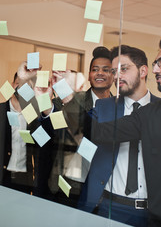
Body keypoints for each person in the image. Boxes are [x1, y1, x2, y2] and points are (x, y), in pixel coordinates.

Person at [87, 34, 161, 226]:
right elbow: (96, 131)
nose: (156, 69)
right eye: (156, 62)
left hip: (159, 213)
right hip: (112, 206)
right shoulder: (150, 113)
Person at [78, 45, 161, 226]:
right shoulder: (103, 106)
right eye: (115, 71)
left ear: (143, 71)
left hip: (149, 211)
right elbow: (81, 130)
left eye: (124, 69)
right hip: (110, 205)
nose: (117, 77)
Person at [48, 46, 114, 206]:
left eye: (106, 69)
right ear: (89, 75)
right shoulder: (71, 99)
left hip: (102, 187)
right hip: (67, 182)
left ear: (114, 75)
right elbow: (47, 122)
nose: (100, 73)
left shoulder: (120, 108)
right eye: (95, 69)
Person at [0, 73, 48, 195]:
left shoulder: (35, 117)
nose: (21, 87)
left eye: (27, 85)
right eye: (19, 83)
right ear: (13, 85)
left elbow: (43, 150)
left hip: (24, 181)